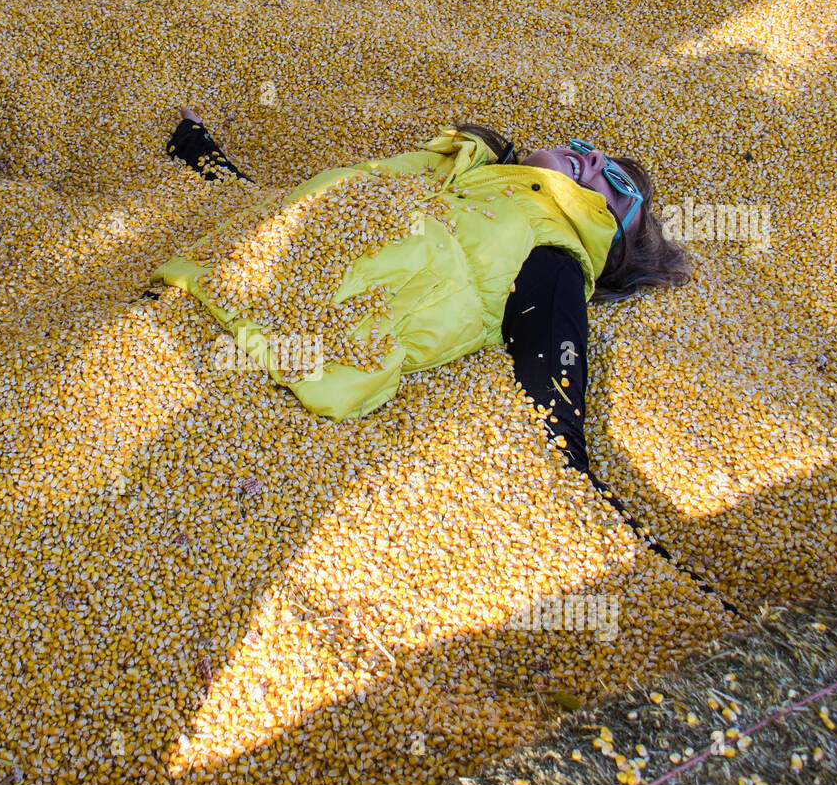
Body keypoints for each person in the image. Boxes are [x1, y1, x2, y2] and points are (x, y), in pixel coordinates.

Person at [162, 109, 737, 613]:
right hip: (214, 279)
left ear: (607, 235)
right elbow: (303, 213)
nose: (591, 162)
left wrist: (611, 526)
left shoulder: (555, 255)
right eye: (588, 150)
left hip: (269, 352)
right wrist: (206, 159)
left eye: (613, 184)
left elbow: (552, 391)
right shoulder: (456, 170)